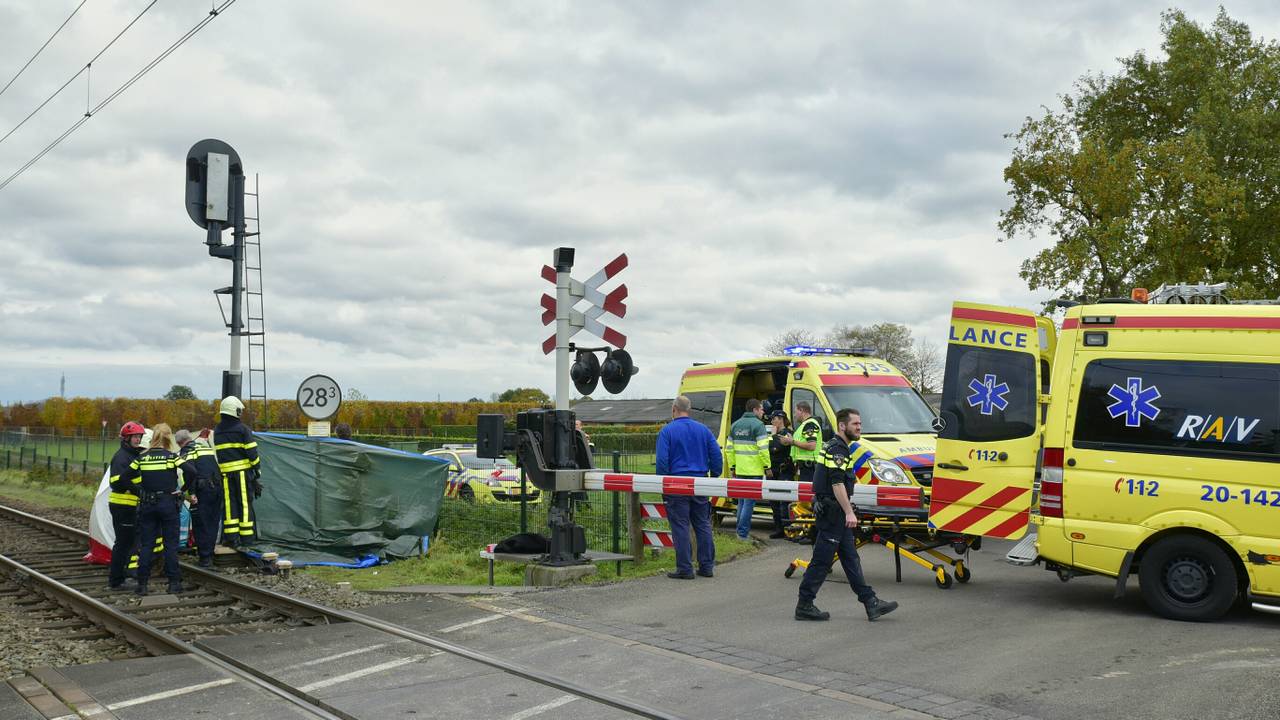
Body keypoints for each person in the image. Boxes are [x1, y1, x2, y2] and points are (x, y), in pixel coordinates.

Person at [795, 408, 898, 622]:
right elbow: (837, 482)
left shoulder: (839, 447)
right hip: (833, 513)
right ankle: (804, 604)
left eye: (860, 424)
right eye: (855, 424)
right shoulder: (838, 449)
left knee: (850, 558)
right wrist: (849, 511)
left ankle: (871, 602)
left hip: (834, 512)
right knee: (822, 561)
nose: (859, 427)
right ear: (843, 426)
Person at [656, 395, 722, 579]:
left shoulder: (667, 431)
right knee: (702, 524)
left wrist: (663, 482)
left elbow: (662, 461)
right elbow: (716, 455)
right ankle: (707, 566)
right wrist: (714, 476)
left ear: (674, 409)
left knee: (680, 526)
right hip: (700, 483)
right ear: (689, 409)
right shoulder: (703, 430)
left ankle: (685, 568)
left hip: (676, 484)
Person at [132, 424, 196, 595]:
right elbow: (192, 471)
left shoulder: (142, 458)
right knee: (170, 546)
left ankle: (142, 585)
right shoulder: (171, 457)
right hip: (168, 503)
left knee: (147, 545)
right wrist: (182, 490)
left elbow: (124, 478)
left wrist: (141, 492)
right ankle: (174, 583)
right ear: (168, 438)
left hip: (147, 505)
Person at [214, 396, 261, 546]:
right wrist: (257, 470)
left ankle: (231, 538)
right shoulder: (243, 429)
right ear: (236, 411)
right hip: (242, 473)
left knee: (229, 504)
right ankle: (247, 538)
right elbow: (252, 453)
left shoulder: (217, 431)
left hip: (225, 474)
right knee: (245, 504)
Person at [106, 421, 146, 590]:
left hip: (130, 505)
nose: (137, 440)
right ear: (126, 439)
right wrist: (138, 490)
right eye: (135, 437)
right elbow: (116, 481)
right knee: (123, 544)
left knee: (128, 543)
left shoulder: (133, 455)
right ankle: (116, 580)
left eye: (139, 437)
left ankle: (120, 577)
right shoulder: (121, 457)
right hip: (123, 505)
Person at [177, 428, 222, 568]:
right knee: (213, 521)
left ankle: (205, 558)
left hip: (202, 490)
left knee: (200, 522)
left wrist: (190, 492)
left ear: (180, 443)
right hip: (217, 487)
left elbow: (189, 472)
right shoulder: (204, 447)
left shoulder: (186, 451)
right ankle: (209, 553)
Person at [727, 399, 771, 540]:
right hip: (754, 472)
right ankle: (742, 534)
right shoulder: (758, 425)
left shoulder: (735, 425)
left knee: (741, 502)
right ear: (755, 410)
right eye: (761, 409)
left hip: (740, 471)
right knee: (749, 504)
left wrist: (733, 467)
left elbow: (729, 449)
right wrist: (767, 466)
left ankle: (740, 533)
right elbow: (763, 449)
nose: (763, 412)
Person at [780, 401, 822, 544]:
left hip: (810, 468)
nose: (794, 414)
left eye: (796, 411)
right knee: (805, 501)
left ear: (802, 410)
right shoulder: (804, 426)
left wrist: (791, 442)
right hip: (805, 467)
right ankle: (808, 532)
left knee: (810, 501)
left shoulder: (810, 425)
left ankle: (812, 534)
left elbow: (811, 446)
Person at [765, 410, 795, 539]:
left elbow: (774, 448)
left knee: (784, 501)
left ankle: (787, 529)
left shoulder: (787, 433)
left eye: (774, 419)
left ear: (781, 419)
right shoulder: (775, 434)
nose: (772, 422)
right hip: (773, 471)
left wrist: (772, 436)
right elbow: (765, 449)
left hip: (784, 471)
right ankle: (779, 528)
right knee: (773, 501)